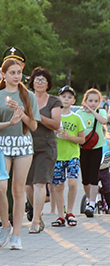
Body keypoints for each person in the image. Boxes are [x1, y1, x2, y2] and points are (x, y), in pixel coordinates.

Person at [0, 49, 40, 249]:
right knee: (0, 189)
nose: (16, 76)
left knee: (18, 190)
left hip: (23, 146)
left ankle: (17, 234)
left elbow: (34, 126)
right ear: (4, 74)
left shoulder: (28, 96)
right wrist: (9, 122)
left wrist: (22, 114)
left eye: (19, 72)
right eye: (12, 72)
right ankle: (5, 224)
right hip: (3, 145)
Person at [25, 67, 61, 233]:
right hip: (26, 146)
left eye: (43, 80)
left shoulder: (53, 101)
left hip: (46, 147)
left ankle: (35, 221)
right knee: (28, 186)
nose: (39, 82)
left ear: (48, 84)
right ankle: (37, 215)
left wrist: (37, 115)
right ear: (32, 82)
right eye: (37, 79)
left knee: (39, 183)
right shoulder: (25, 98)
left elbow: (55, 124)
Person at [51, 86, 85, 227]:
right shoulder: (54, 117)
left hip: (72, 155)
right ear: (59, 98)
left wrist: (68, 137)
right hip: (58, 155)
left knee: (72, 183)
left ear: (74, 100)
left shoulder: (76, 118)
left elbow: (82, 139)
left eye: (69, 97)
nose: (66, 99)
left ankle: (70, 212)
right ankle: (60, 215)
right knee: (59, 186)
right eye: (64, 96)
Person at [77, 88, 108, 217]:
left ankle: (92, 203)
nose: (93, 103)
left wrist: (92, 111)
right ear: (85, 101)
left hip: (97, 147)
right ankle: (89, 198)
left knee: (94, 175)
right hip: (83, 147)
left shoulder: (100, 111)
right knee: (85, 178)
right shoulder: (79, 113)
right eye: (90, 101)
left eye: (96, 101)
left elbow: (103, 121)